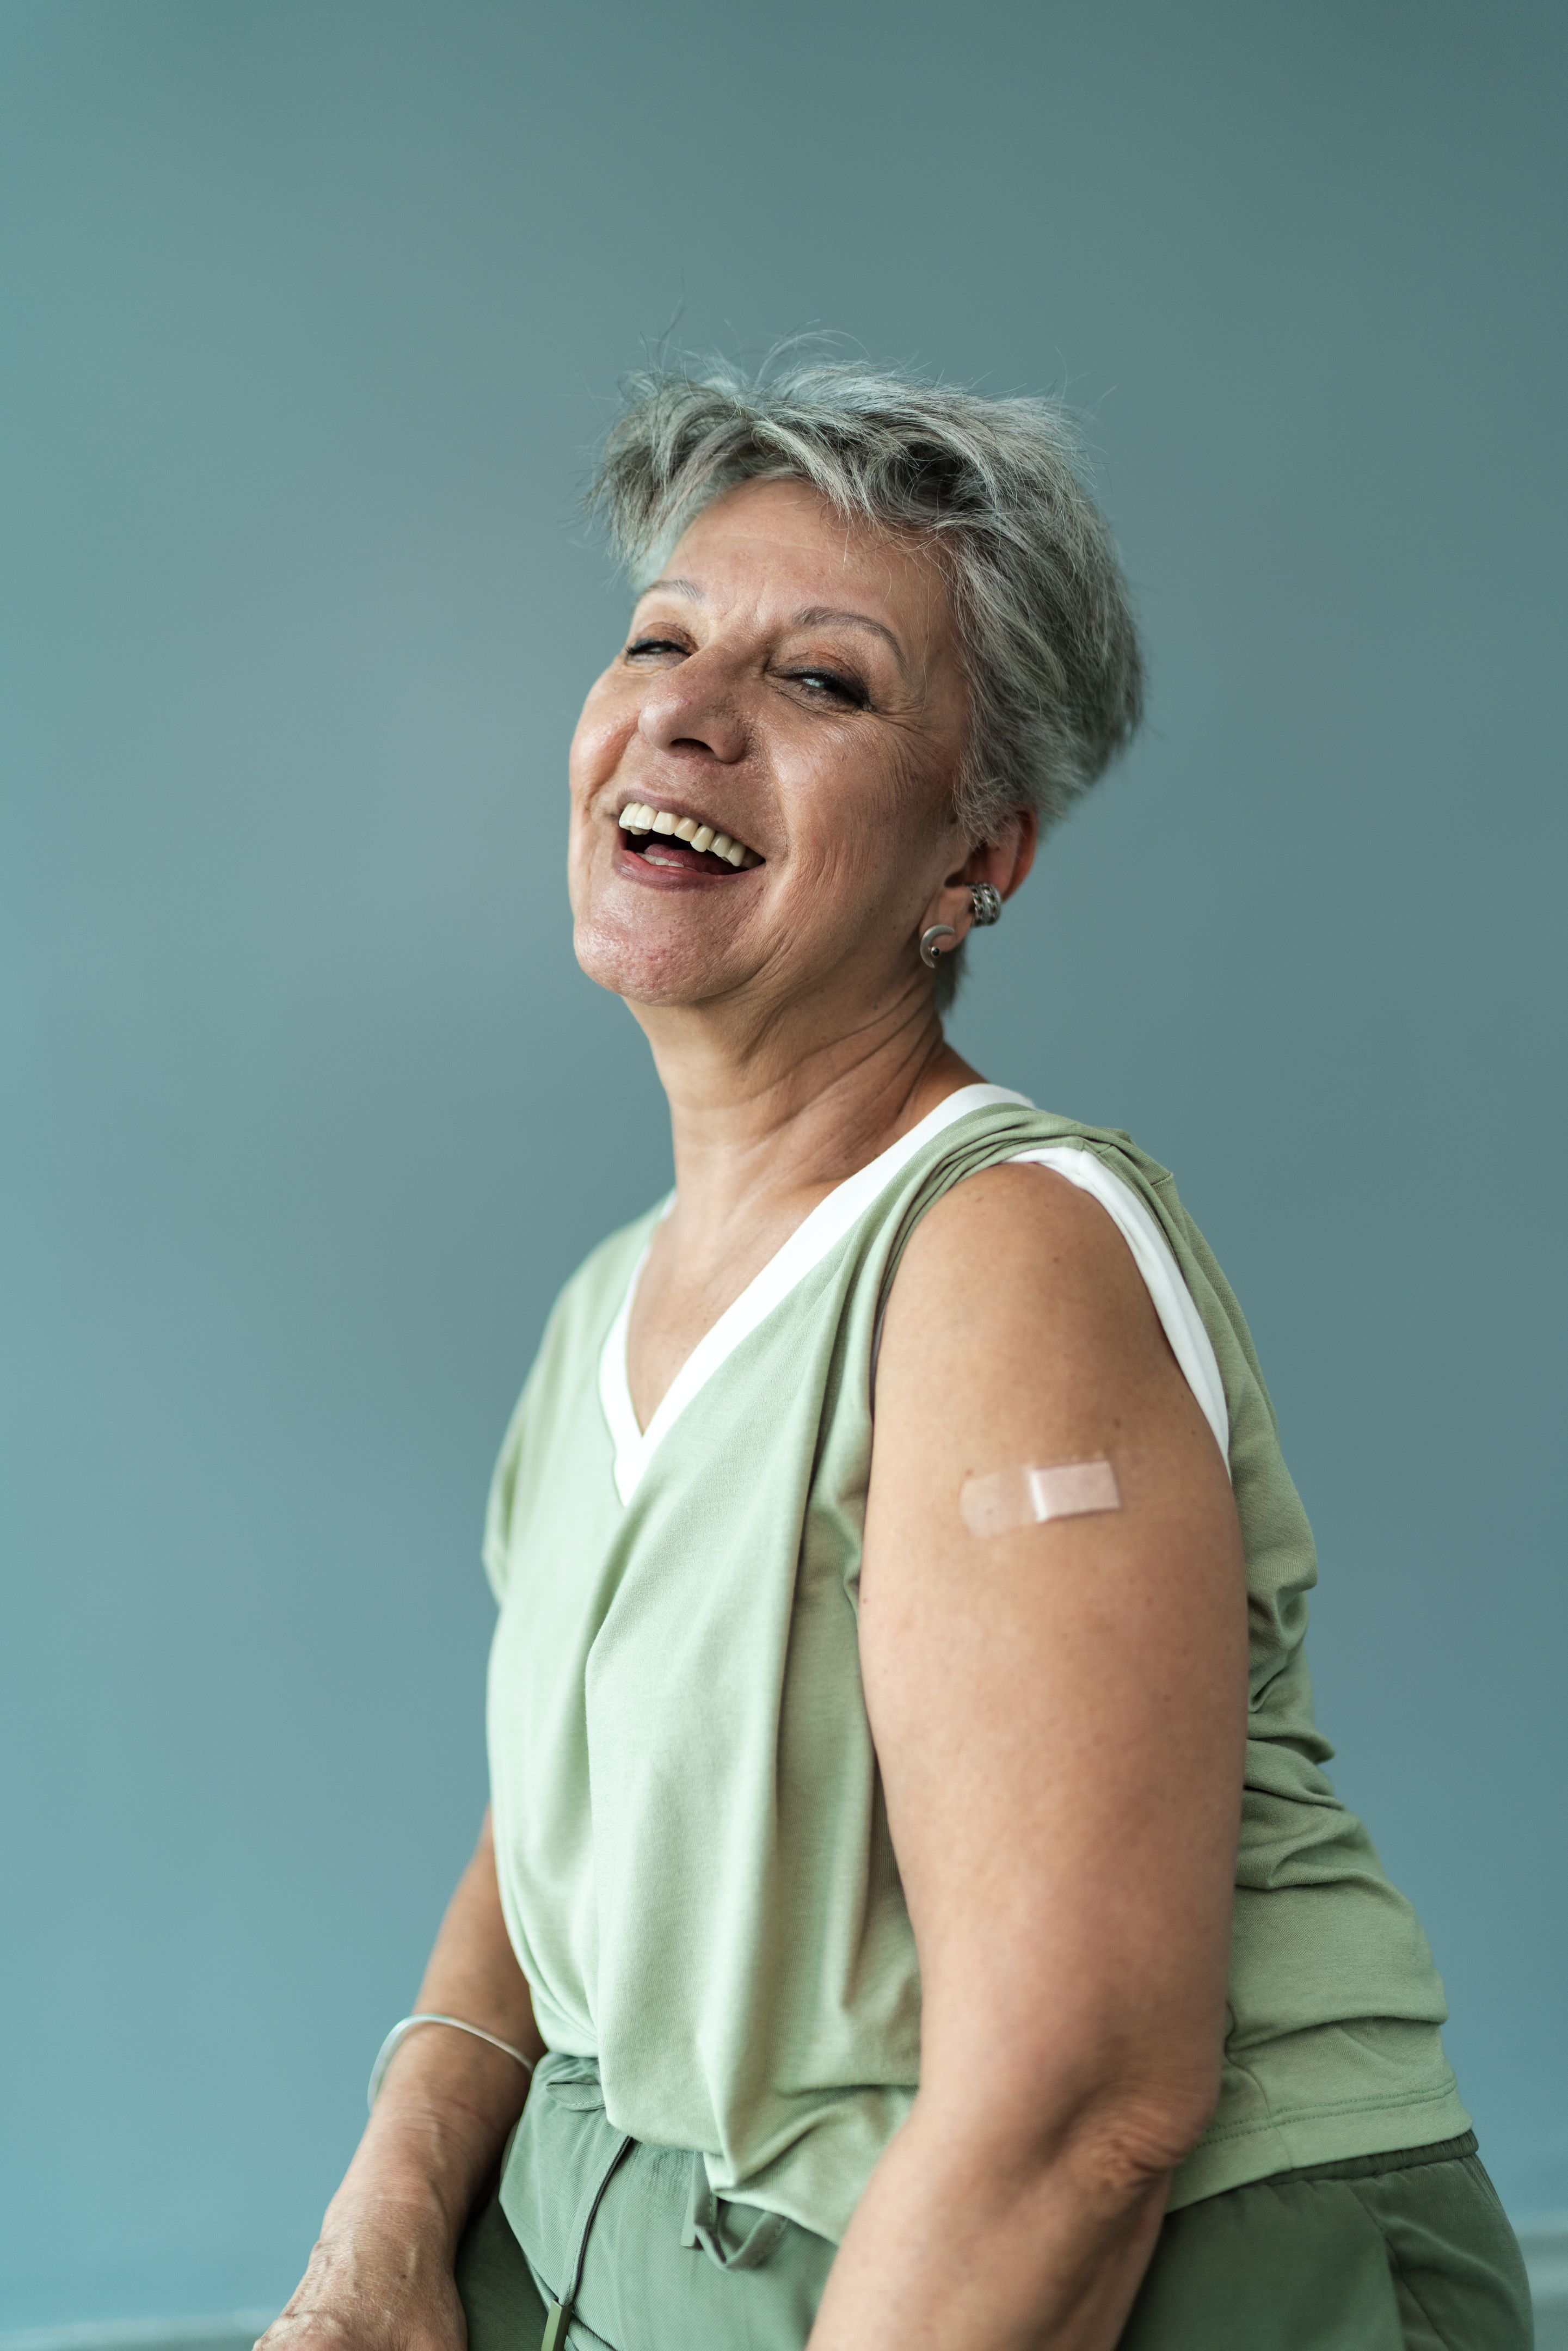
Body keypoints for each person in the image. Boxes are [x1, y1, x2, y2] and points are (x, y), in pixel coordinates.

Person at [260, 358, 1532, 2351]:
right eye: (660, 639)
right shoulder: (609, 1305)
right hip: (647, 2254)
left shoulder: (1002, 1261)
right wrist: (386, 2219)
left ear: (975, 863)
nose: (686, 711)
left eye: (820, 681)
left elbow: (1076, 2114)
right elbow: (570, 1828)